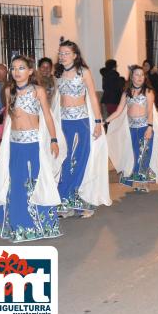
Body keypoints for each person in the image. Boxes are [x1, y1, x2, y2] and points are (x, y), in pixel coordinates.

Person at [0, 55, 63, 242]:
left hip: (33, 144)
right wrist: (2, 144)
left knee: (33, 182)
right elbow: (8, 120)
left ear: (30, 71)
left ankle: (37, 225)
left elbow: (48, 116)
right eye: (13, 68)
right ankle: (18, 226)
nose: (16, 71)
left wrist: (53, 140)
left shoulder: (38, 91)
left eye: (21, 68)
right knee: (15, 184)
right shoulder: (9, 90)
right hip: (14, 145)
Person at [52, 40, 111, 218]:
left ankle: (77, 201)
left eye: (66, 53)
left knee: (79, 161)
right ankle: (65, 201)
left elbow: (92, 96)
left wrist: (98, 121)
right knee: (64, 160)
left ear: (75, 55)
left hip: (81, 122)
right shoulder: (59, 73)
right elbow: (57, 100)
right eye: (60, 53)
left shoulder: (83, 72)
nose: (62, 56)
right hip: (63, 122)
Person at [105, 65, 158, 192]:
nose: (140, 77)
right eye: (137, 75)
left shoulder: (148, 92)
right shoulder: (127, 93)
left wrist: (149, 128)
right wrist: (104, 121)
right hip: (132, 129)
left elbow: (150, 111)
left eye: (142, 75)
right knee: (137, 154)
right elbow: (119, 111)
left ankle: (142, 183)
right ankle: (141, 180)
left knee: (144, 154)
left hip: (145, 127)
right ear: (132, 77)